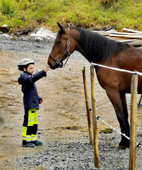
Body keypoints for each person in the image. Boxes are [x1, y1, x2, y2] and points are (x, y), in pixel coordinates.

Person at [17, 58, 50, 148]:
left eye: (33, 68)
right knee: (29, 122)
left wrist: (38, 98)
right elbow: (32, 79)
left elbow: (31, 91)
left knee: (34, 122)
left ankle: (33, 139)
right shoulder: (25, 77)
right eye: (30, 68)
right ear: (24, 69)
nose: (32, 70)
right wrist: (43, 72)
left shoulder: (28, 78)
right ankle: (26, 140)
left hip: (33, 103)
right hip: (29, 104)